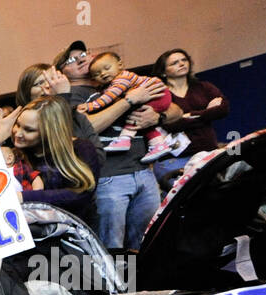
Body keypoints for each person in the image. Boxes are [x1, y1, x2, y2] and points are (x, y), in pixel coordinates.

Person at [55, 40, 168, 251]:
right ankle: (120, 275)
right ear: (61, 72)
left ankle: (139, 275)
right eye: (71, 60)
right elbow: (86, 128)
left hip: (144, 170)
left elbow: (175, 108)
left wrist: (159, 116)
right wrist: (128, 101)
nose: (80, 60)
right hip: (109, 177)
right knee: (111, 248)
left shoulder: (119, 79)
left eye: (83, 55)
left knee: (146, 244)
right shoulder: (69, 96)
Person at [11, 97, 101, 227]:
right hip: (33, 231)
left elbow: (81, 194)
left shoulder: (81, 149)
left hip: (72, 231)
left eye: (29, 130)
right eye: (18, 124)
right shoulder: (15, 154)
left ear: (50, 131)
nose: (18, 133)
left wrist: (25, 197)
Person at [80, 52, 184, 162]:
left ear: (120, 65)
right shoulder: (111, 83)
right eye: (97, 74)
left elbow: (109, 96)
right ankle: (158, 145)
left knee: (135, 115)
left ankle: (124, 139)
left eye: (107, 68)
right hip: (157, 95)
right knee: (143, 122)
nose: (103, 73)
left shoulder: (122, 78)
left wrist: (90, 106)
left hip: (158, 95)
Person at [152, 48, 229, 191]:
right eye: (174, 63)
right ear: (163, 72)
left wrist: (188, 116)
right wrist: (207, 112)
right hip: (177, 158)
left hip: (208, 151)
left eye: (184, 60)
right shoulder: (160, 95)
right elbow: (170, 124)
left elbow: (223, 109)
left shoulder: (203, 87)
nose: (181, 64)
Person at [15, 63, 92, 140]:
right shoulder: (25, 122)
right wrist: (62, 97)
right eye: (40, 83)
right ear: (27, 92)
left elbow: (91, 142)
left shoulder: (74, 112)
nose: (48, 85)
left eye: (52, 79)